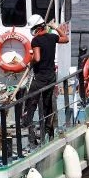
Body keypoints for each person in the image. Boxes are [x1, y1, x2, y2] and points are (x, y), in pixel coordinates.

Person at [21, 13, 69, 145]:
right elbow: (65, 39)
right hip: (51, 76)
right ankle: (48, 132)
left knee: (30, 103)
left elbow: (37, 58)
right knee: (47, 104)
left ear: (36, 28)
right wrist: (56, 27)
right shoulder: (52, 37)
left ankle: (30, 135)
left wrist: (29, 62)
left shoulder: (36, 40)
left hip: (40, 77)